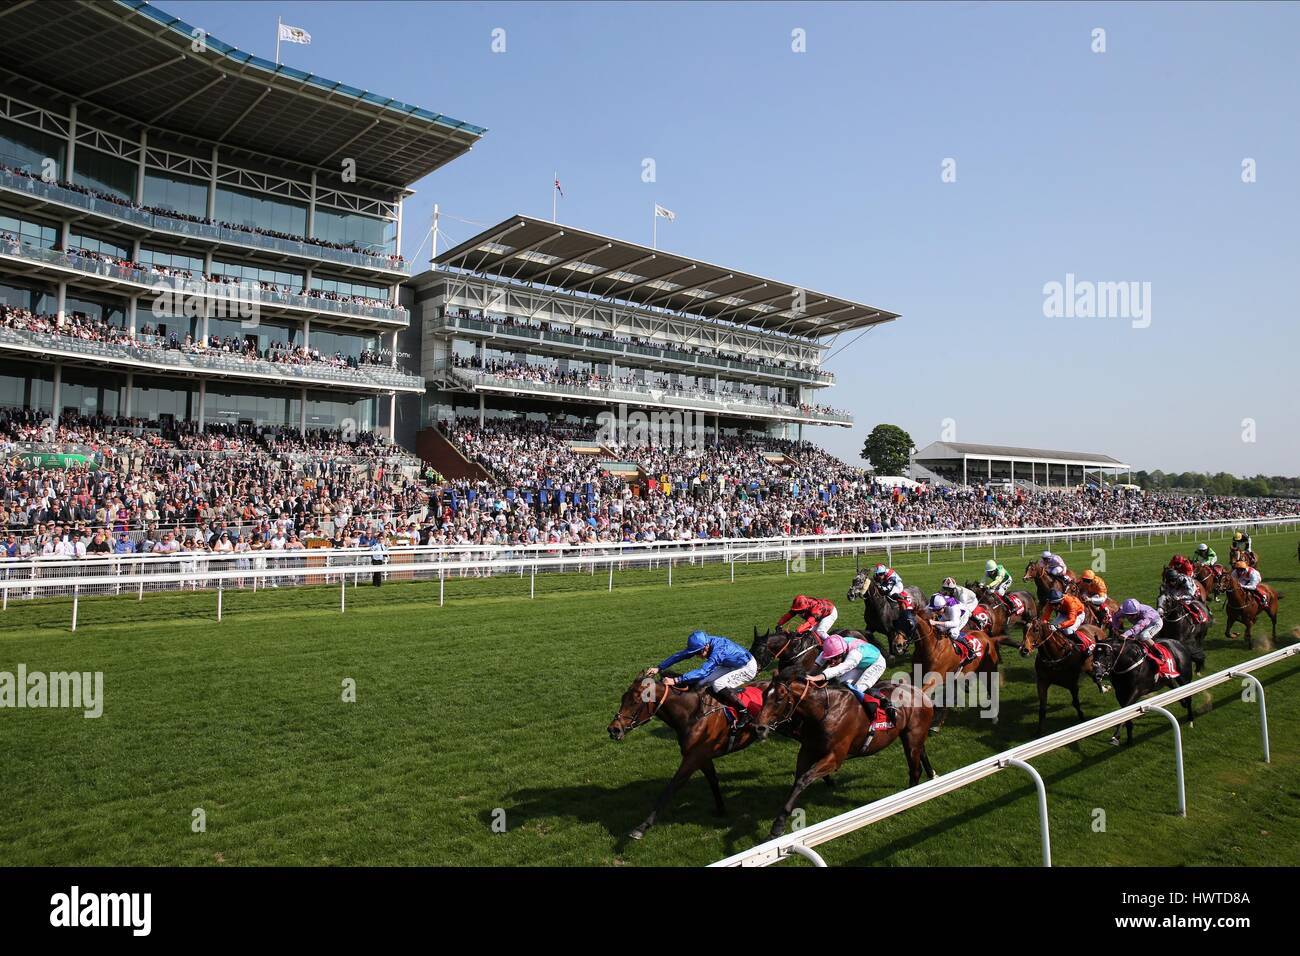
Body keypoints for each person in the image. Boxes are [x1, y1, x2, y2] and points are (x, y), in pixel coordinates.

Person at [648, 630, 758, 726]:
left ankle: (744, 713)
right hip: (730, 664)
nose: (698, 655)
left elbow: (703, 671)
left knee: (718, 684)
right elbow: (679, 655)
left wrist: (676, 680)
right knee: (701, 682)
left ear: (706, 646)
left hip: (746, 666)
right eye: (695, 653)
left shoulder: (718, 651)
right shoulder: (702, 644)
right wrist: (659, 667)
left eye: (699, 653)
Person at [807, 633, 895, 727]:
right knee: (841, 685)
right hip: (861, 662)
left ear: (843, 653)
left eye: (835, 658)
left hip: (876, 664)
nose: (832, 662)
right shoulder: (832, 645)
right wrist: (808, 674)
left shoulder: (854, 654)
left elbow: (840, 669)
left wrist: (817, 677)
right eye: (831, 658)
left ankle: (883, 702)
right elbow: (818, 663)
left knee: (856, 691)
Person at [928, 592, 978, 659]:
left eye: (937, 610)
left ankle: (970, 650)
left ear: (944, 606)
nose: (935, 612)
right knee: (939, 628)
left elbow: (955, 623)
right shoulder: (938, 601)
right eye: (934, 610)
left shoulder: (953, 608)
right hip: (948, 613)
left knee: (953, 633)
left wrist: (936, 622)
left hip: (962, 615)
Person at [873, 564, 916, 635]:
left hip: (897, 586)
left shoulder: (891, 576)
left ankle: (901, 598)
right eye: (877, 575)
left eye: (880, 575)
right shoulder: (881, 573)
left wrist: (879, 586)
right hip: (886, 583)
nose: (879, 576)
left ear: (883, 573)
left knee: (889, 593)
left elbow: (887, 589)